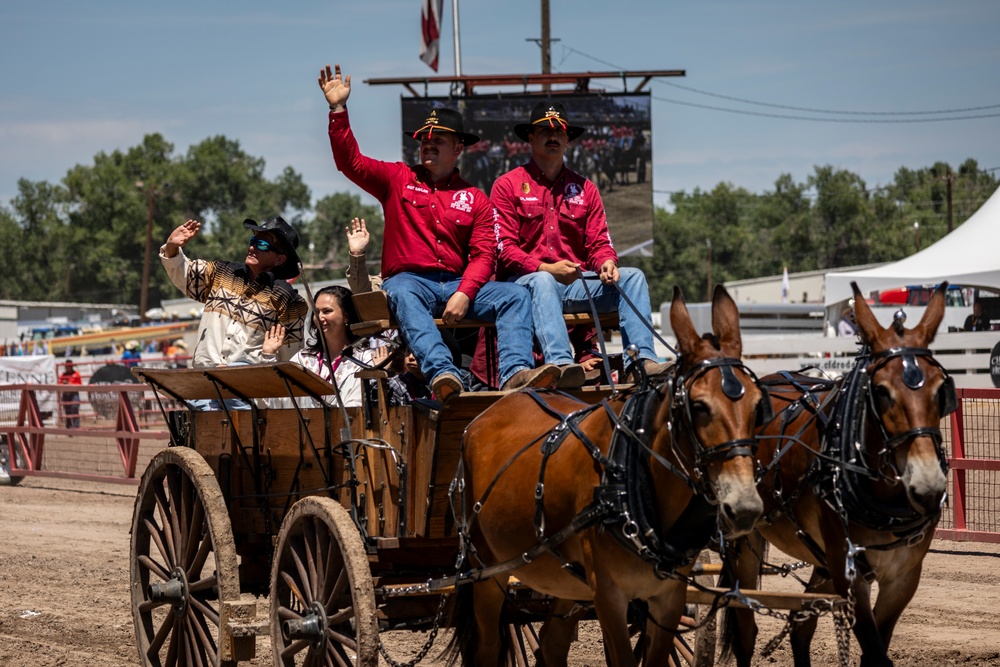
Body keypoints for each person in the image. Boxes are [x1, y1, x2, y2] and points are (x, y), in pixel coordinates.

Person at [319, 63, 560, 401]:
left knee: (515, 295)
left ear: (458, 148)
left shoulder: (474, 197)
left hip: (458, 284)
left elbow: (485, 254)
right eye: (424, 141)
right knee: (401, 291)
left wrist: (466, 291)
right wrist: (337, 109)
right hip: (411, 283)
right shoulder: (397, 178)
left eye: (438, 141)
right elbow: (350, 162)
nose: (428, 146)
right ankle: (443, 372)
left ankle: (515, 373)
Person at [492, 100, 670, 380]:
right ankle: (563, 365)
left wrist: (607, 262)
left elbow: (599, 242)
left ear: (568, 139)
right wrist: (546, 269)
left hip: (575, 286)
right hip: (525, 286)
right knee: (543, 281)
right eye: (544, 131)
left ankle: (641, 362)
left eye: (559, 131)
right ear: (530, 137)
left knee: (633, 277)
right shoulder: (507, 185)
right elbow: (504, 250)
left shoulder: (586, 188)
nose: (553, 136)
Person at [160, 216, 308, 368]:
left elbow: (290, 360)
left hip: (247, 386)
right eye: (253, 241)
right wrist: (172, 248)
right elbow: (185, 275)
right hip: (205, 379)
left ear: (279, 260)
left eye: (262, 245)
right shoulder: (221, 273)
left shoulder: (287, 300)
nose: (252, 248)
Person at [264, 285, 372, 408]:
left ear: (346, 316)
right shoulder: (304, 359)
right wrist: (269, 356)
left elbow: (358, 406)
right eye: (316, 312)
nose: (320, 318)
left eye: (327, 311)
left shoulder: (363, 359)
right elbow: (278, 401)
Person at [59, 360, 82, 428]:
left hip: (74, 393)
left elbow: (79, 384)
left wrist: (71, 384)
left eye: (68, 366)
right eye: (66, 366)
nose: (67, 368)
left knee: (75, 408)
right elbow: (59, 384)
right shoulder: (63, 375)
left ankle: (76, 426)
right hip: (66, 393)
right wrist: (64, 384)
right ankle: (69, 425)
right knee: (67, 410)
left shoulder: (76, 374)